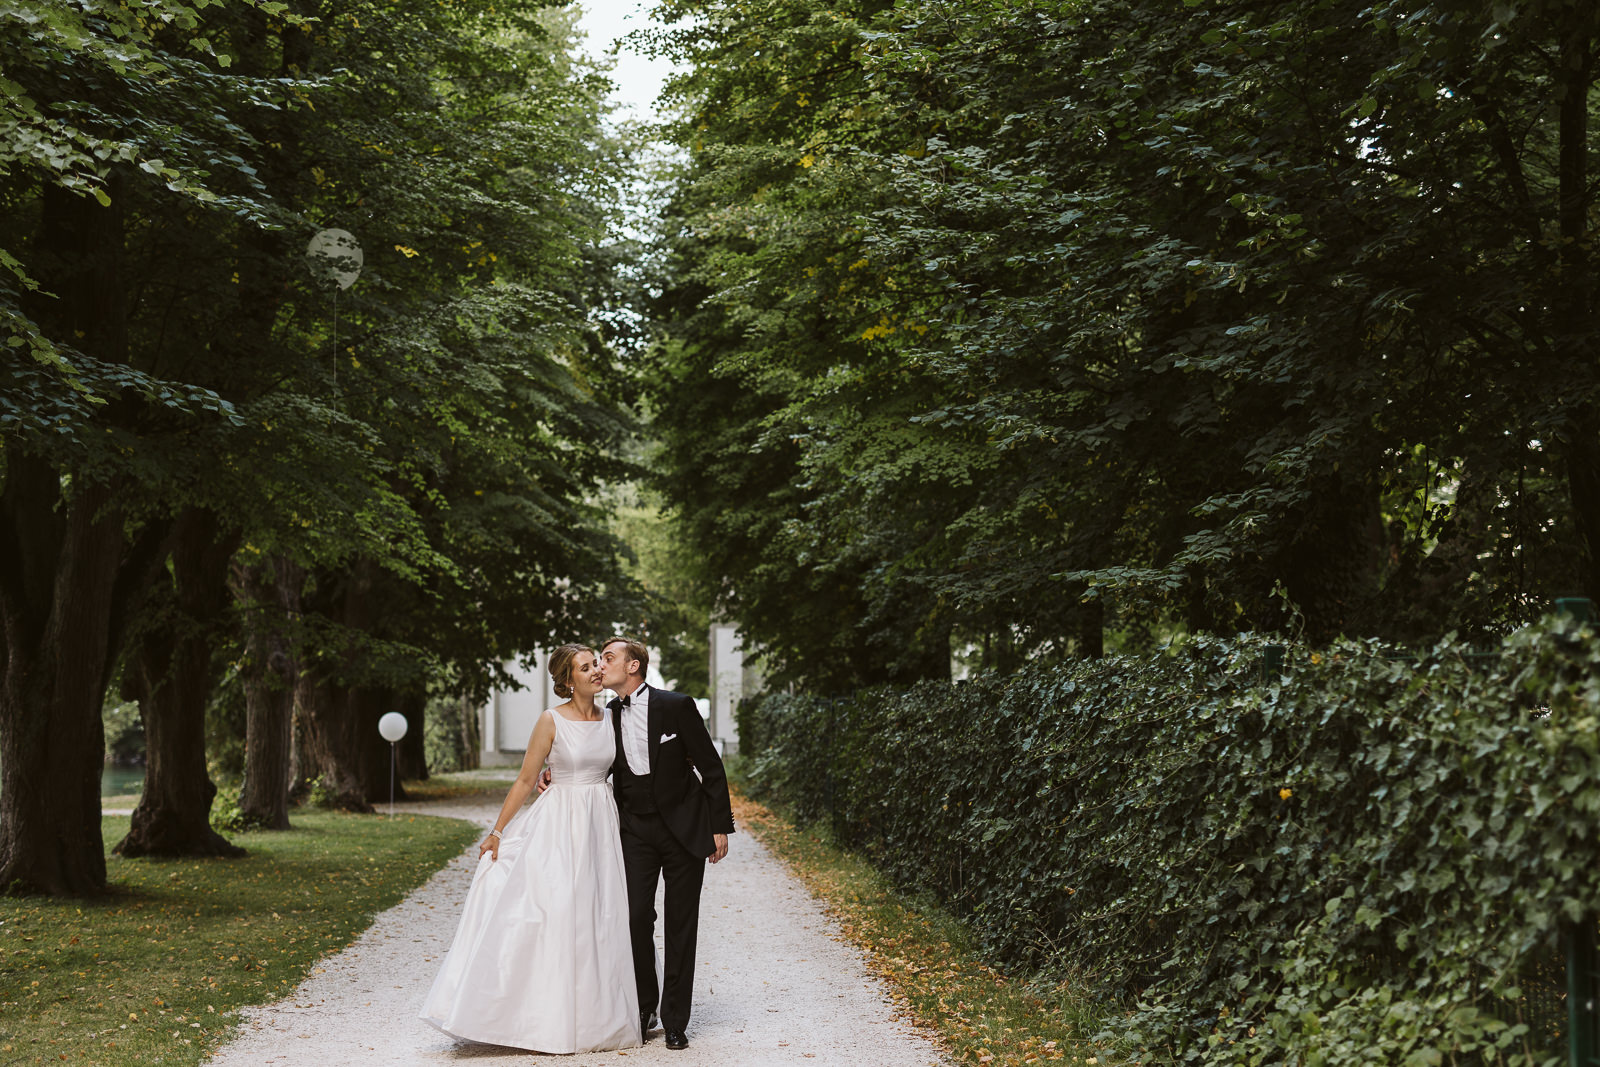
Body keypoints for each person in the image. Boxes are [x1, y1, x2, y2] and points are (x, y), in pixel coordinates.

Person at [419, 644, 639, 1054]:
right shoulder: (550, 720)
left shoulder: (612, 716)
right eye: (586, 667)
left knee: (600, 912)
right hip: (560, 823)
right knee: (555, 910)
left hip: (600, 821)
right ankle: (541, 1017)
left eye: (596, 664)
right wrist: (497, 832)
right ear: (567, 679)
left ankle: (600, 1018)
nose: (595, 671)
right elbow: (525, 780)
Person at [599, 636, 733, 1051]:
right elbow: (591, 762)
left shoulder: (676, 705)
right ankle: (644, 1007)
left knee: (680, 924)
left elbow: (710, 766)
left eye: (608, 658)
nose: (600, 666)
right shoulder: (606, 714)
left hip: (684, 830)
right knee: (636, 917)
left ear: (633, 666)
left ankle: (676, 1019)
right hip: (636, 830)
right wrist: (550, 774)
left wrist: (719, 826)